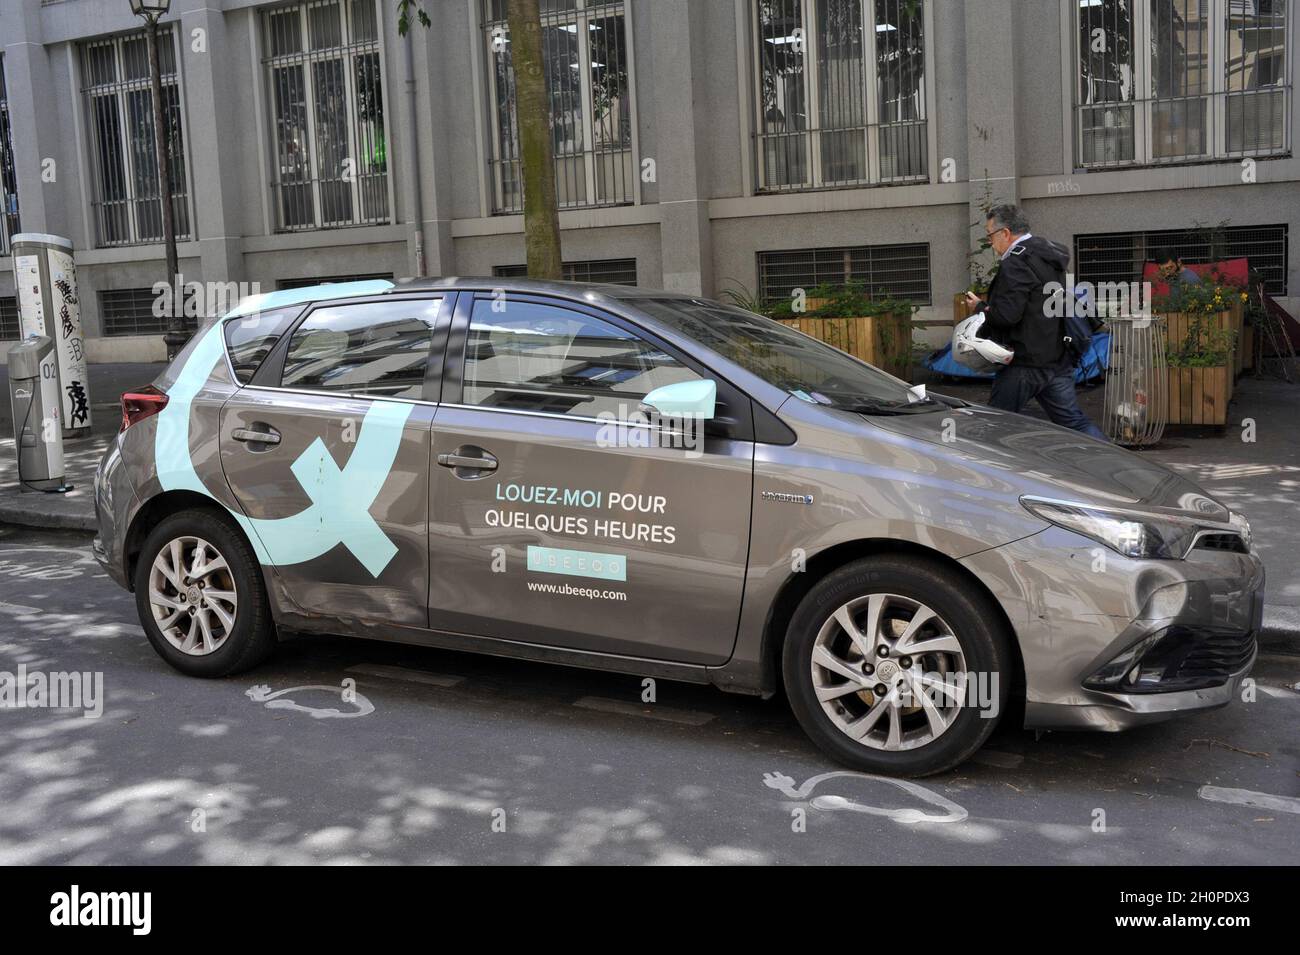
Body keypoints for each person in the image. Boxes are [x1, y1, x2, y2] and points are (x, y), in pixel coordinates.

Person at [963, 204, 1106, 440]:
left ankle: (989, 473)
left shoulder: (1015, 263)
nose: (990, 242)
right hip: (1057, 359)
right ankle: (1112, 465)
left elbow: (1007, 316)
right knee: (1075, 422)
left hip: (1024, 362)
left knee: (994, 425)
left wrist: (980, 307)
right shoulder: (1048, 256)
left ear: (1005, 233)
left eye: (990, 235)